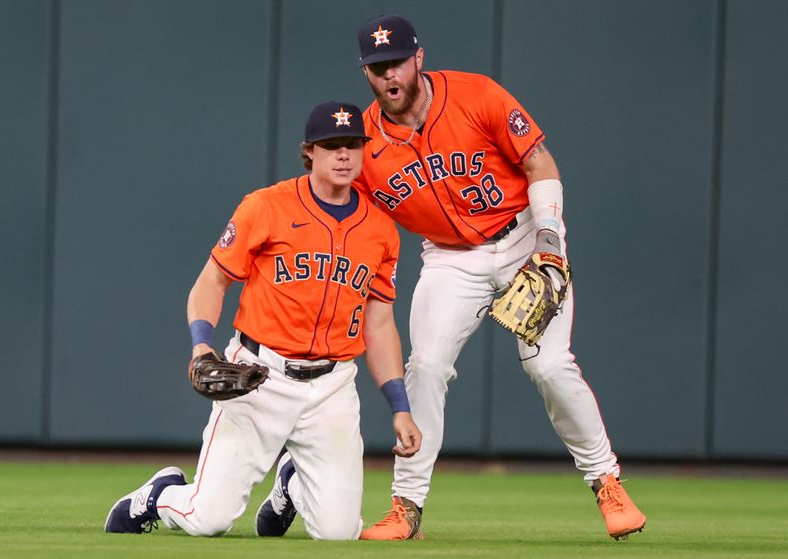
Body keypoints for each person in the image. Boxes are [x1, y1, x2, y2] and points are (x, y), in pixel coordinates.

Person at [352, 15, 646, 541]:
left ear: (418, 58)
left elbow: (540, 164)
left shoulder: (475, 95)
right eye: (377, 68)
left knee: (550, 366)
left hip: (523, 241)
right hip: (449, 258)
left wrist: (550, 245)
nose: (388, 75)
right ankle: (406, 507)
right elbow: (357, 222)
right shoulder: (366, 144)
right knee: (425, 368)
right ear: (367, 74)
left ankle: (607, 482)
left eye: (396, 62)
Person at [104, 101, 422, 540]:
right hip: (260, 374)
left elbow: (380, 325)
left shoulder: (381, 228)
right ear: (309, 151)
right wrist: (201, 344)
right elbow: (210, 283)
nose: (344, 155)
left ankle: (291, 483)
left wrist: (400, 408)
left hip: (332, 387)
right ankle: (162, 494)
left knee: (338, 533)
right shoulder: (266, 206)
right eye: (333, 146)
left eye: (353, 145)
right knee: (208, 519)